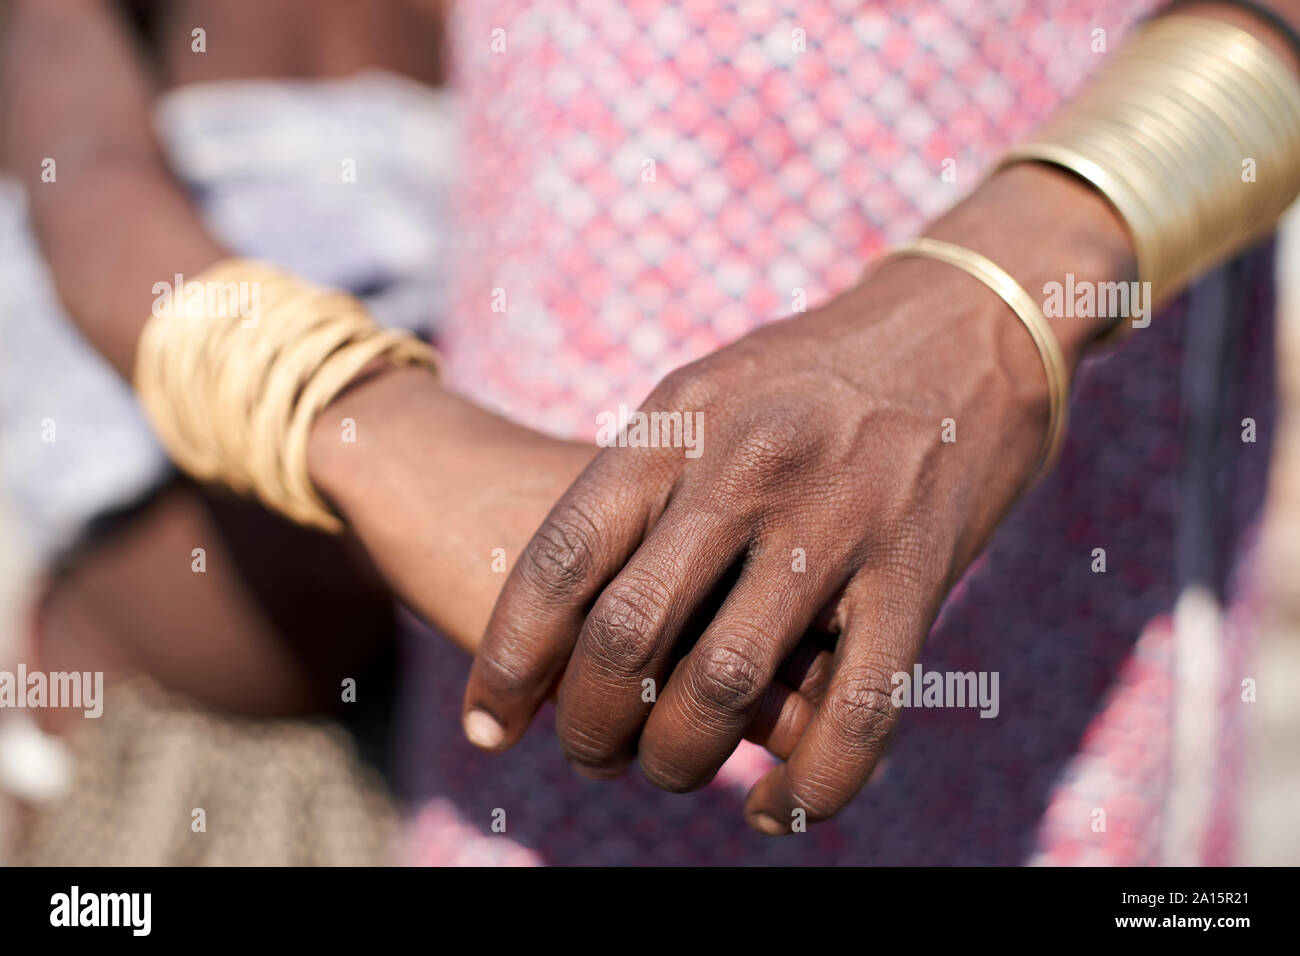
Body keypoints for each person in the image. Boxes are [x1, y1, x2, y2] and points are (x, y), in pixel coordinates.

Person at [2, 0, 1296, 865]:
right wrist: (361, 421)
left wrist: (995, 313)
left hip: (1047, 605)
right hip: (544, 655)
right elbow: (83, 155)